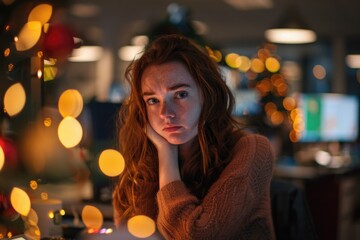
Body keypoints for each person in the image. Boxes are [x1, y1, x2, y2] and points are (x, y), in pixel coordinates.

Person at [112, 34, 275, 239]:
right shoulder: (143, 158)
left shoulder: (253, 149)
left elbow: (195, 235)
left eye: (180, 94)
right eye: (153, 100)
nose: (166, 113)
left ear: (207, 95)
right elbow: (131, 233)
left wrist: (166, 154)